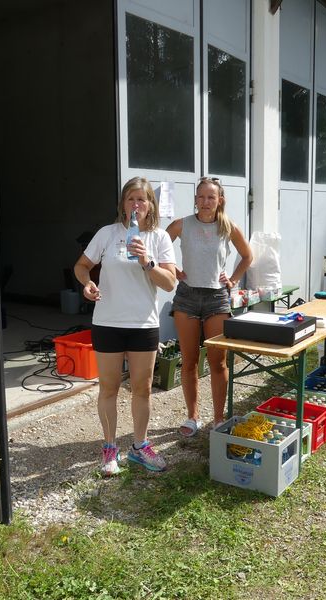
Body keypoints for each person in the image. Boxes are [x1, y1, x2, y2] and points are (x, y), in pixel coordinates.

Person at [74, 176, 177, 476]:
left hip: (143, 325)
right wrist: (87, 283)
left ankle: (140, 446)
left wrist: (148, 261)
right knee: (109, 388)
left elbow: (169, 283)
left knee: (142, 389)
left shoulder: (159, 238)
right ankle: (110, 448)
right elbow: (81, 266)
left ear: (150, 205)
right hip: (108, 322)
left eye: (141, 199)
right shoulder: (107, 234)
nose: (136, 205)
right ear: (123, 204)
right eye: (130, 199)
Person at [166, 177, 253, 436]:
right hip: (187, 298)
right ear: (195, 199)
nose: (205, 202)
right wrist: (173, 270)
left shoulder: (228, 227)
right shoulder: (181, 224)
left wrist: (233, 279)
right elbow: (158, 248)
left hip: (217, 298)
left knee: (218, 362)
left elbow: (247, 256)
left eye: (211, 197)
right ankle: (192, 417)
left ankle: (217, 419)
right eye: (201, 196)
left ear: (220, 200)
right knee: (189, 361)